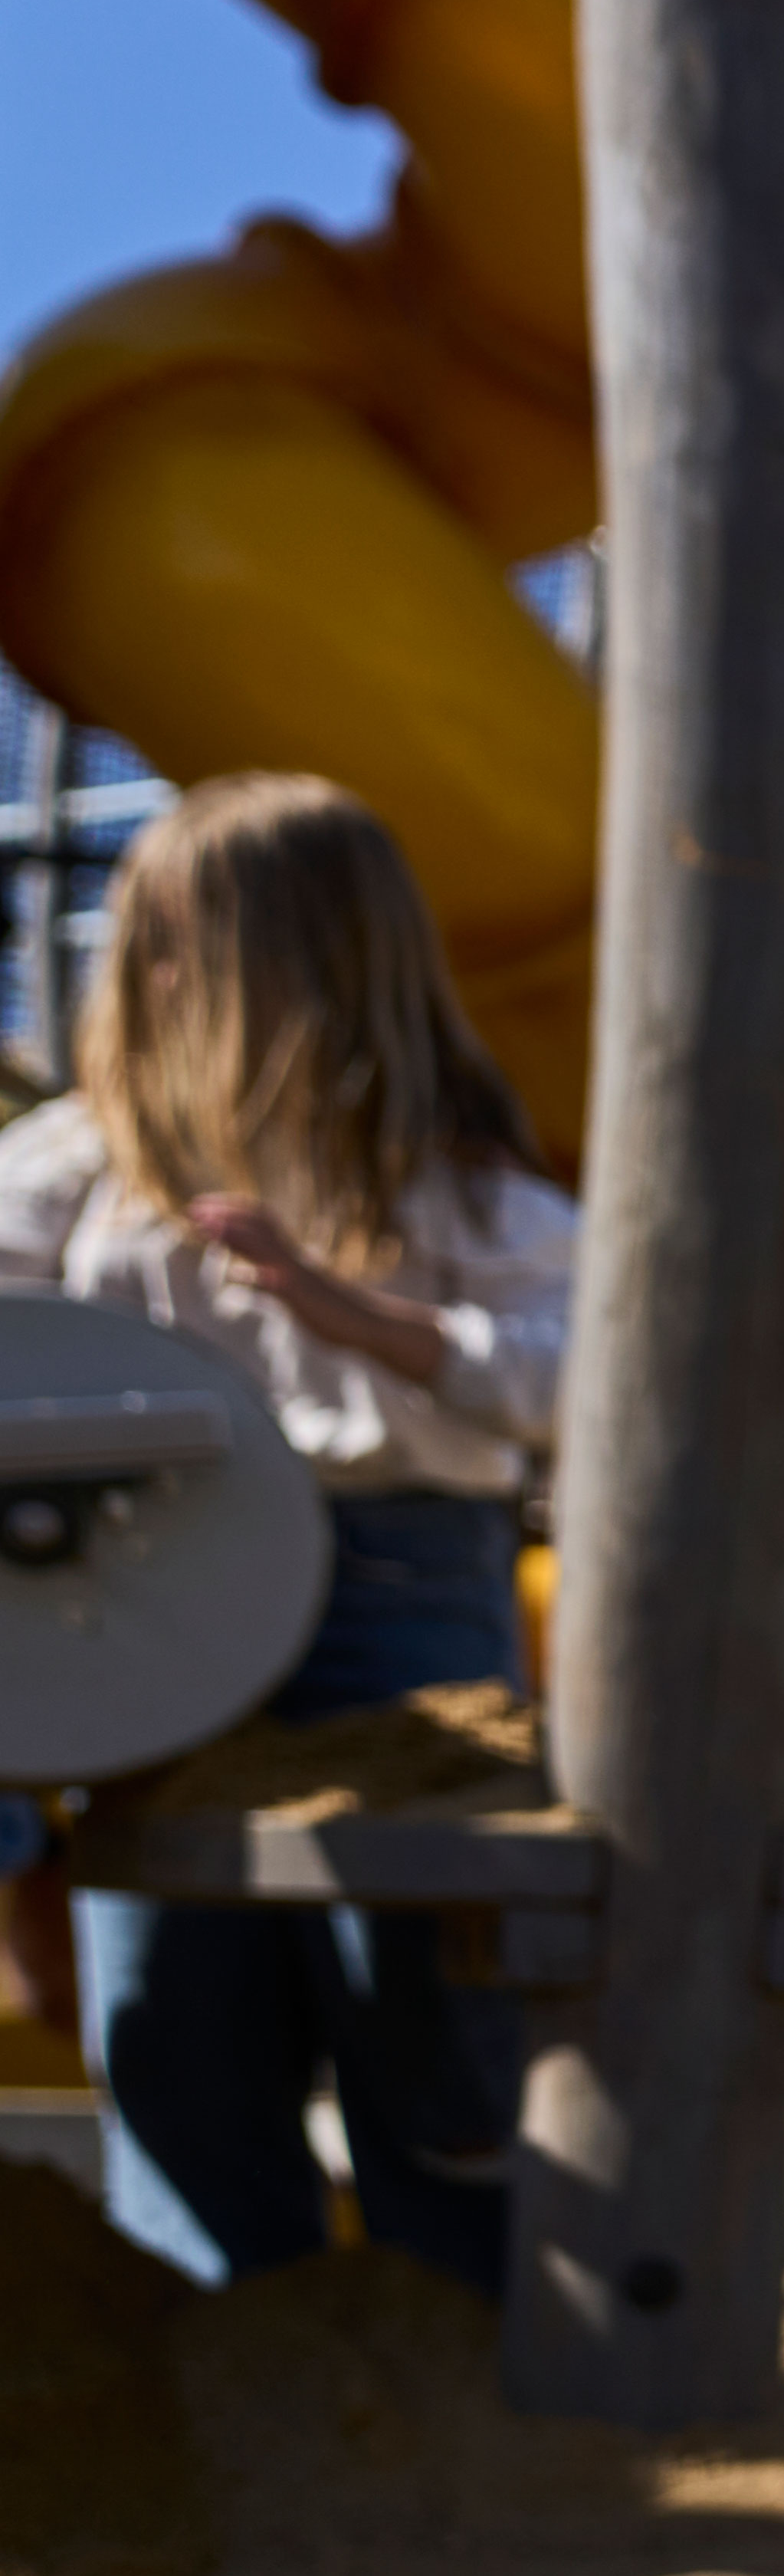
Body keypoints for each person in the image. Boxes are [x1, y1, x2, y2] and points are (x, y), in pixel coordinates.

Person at [0, 774, 571, 2292]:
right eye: (146, 951)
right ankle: (216, 2327)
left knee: (418, 1971)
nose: (149, 985)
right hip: (146, 1577)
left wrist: (344, 1308)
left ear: (316, 968)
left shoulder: (452, 1184)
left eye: (185, 949)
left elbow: (573, 1378)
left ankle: (456, 2311)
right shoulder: (85, 1168)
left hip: (399, 1588)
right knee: (176, 1985)